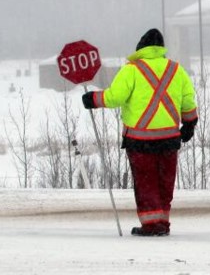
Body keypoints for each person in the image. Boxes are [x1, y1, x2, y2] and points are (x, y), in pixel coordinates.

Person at [82, 28, 197, 236]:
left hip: (140, 141)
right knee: (165, 183)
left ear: (141, 48)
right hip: (169, 140)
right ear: (161, 48)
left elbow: (115, 97)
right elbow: (188, 100)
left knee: (147, 184)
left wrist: (92, 99)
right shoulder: (176, 70)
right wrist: (189, 124)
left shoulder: (132, 70)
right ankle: (162, 223)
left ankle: (151, 225)